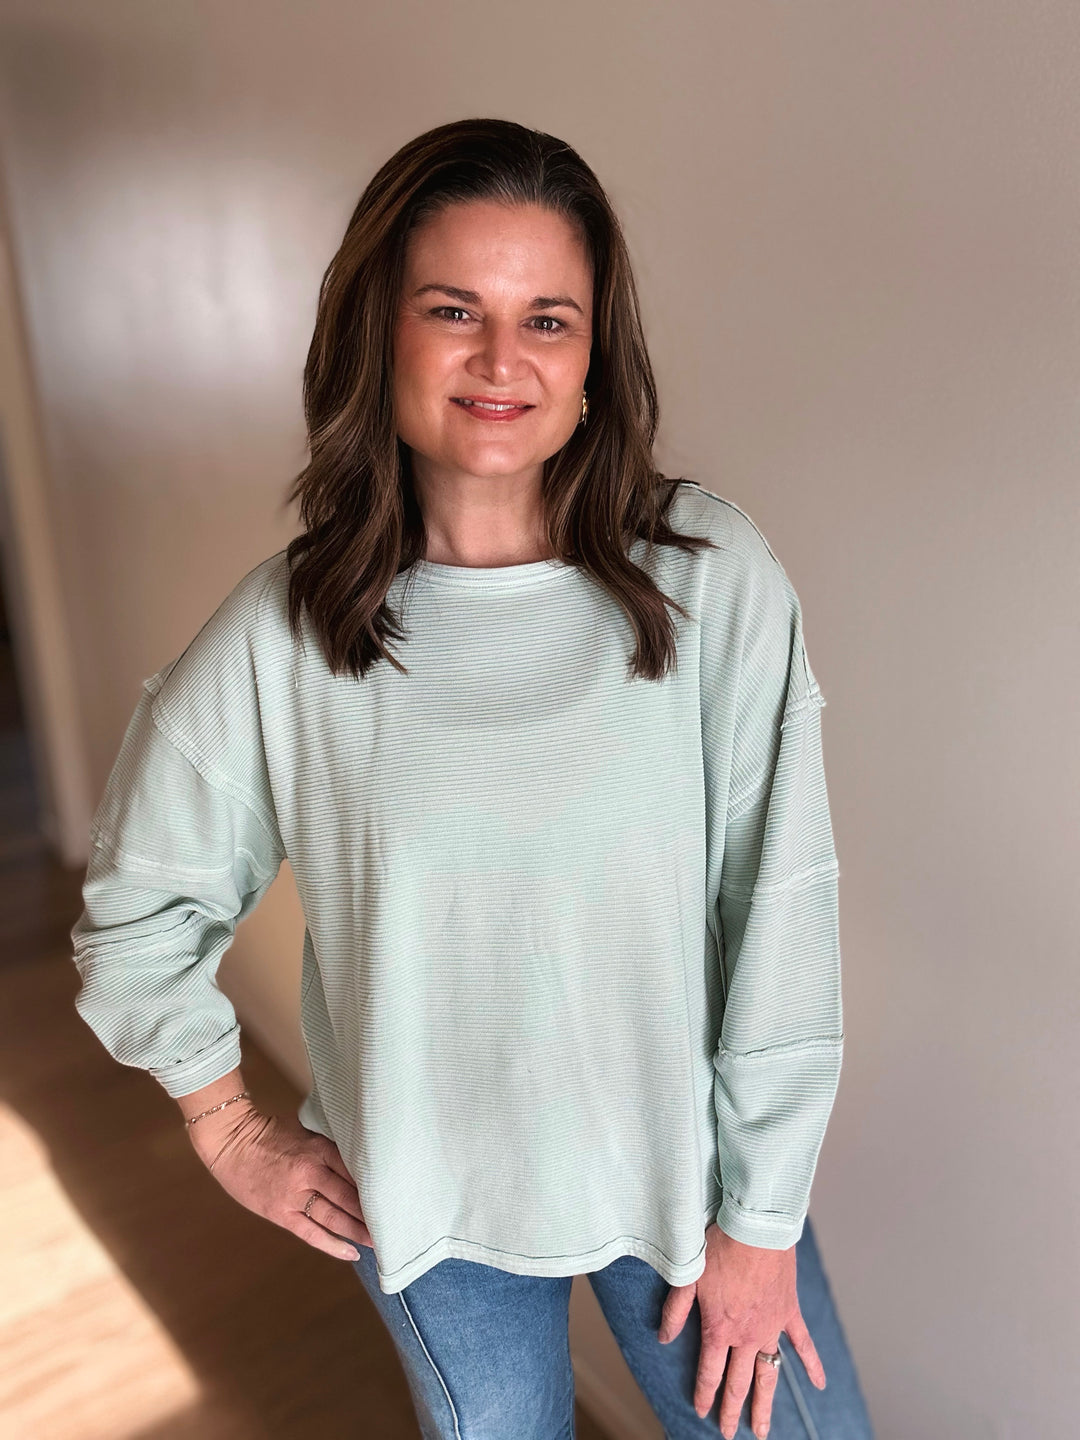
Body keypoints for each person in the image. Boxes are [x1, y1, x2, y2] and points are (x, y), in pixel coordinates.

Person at [70, 118, 874, 1439]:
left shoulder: (708, 580)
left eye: (547, 319)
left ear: (594, 360)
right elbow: (135, 912)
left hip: (695, 1191)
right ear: (377, 331)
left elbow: (777, 906)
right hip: (430, 1210)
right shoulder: (293, 628)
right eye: (455, 309)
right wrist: (228, 1131)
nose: (501, 359)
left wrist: (763, 1221)